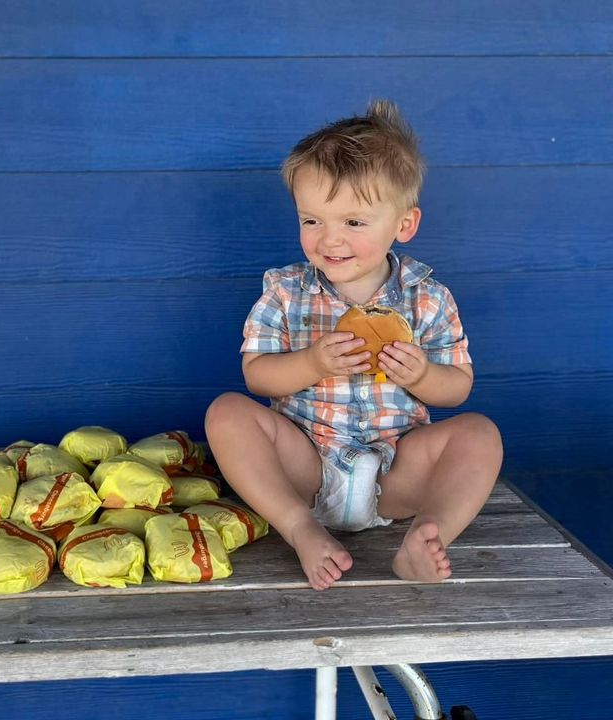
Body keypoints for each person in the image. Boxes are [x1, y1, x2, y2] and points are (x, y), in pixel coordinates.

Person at [204, 100, 503, 590]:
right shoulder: (286, 292)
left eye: (354, 223)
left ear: (403, 225)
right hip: (306, 464)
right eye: (312, 220)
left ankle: (428, 536)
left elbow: (457, 389)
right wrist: (312, 362)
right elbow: (256, 376)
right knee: (226, 413)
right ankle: (299, 528)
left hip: (396, 471)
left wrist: (424, 376)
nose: (329, 239)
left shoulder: (427, 298)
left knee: (479, 435)